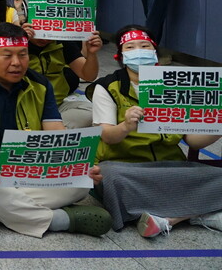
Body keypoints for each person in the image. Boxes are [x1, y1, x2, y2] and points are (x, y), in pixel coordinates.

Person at [0, 22, 112, 238]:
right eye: (7, 55)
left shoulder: (40, 84)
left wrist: (77, 165)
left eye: (22, 55)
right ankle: (60, 220)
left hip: (26, 171)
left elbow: (56, 132)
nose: (17, 63)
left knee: (81, 185)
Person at [87, 25, 222, 237]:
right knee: (111, 179)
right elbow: (107, 136)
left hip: (170, 165)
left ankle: (169, 218)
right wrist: (126, 126)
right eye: (130, 47)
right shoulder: (108, 87)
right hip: (126, 167)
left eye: (144, 45)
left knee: (217, 175)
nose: (138, 51)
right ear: (120, 55)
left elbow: (193, 141)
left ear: (154, 51)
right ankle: (196, 212)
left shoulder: (175, 86)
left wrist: (218, 125)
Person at [20, 22, 101, 129]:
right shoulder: (17, 40)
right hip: (23, 107)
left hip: (56, 105)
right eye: (41, 32)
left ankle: (44, 131)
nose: (44, 39)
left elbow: (88, 76)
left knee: (94, 112)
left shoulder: (62, 42)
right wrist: (20, 42)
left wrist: (92, 53)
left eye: (50, 34)